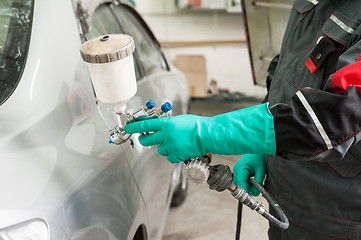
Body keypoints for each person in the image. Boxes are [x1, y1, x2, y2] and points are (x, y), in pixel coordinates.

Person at [125, 1, 361, 239]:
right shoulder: (313, 3)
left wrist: (208, 132)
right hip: (285, 204)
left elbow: (337, 117)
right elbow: (286, 75)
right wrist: (261, 147)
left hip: (337, 221)